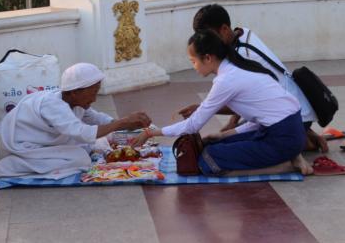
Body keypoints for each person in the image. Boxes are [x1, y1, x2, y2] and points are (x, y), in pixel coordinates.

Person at [133, 30, 312, 176]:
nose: (194, 66)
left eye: (193, 61)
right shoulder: (238, 67)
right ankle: (291, 156)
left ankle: (285, 166)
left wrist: (151, 133)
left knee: (208, 161)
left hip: (283, 138)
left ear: (208, 58)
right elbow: (262, 119)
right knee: (213, 144)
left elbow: (193, 125)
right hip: (288, 131)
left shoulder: (226, 80)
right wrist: (224, 135)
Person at [0, 63, 151, 179]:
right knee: (81, 159)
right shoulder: (53, 105)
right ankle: (6, 167)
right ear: (75, 92)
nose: (94, 99)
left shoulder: (74, 103)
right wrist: (122, 123)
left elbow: (98, 119)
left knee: (85, 148)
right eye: (93, 92)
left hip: (36, 146)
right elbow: (83, 133)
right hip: (21, 148)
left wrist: (130, 124)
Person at [190, 4, 328, 152]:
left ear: (224, 29)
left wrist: (204, 109)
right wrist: (232, 121)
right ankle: (305, 135)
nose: (206, 43)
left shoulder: (242, 55)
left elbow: (248, 98)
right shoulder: (243, 33)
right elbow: (248, 96)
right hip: (295, 109)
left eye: (209, 37)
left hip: (291, 115)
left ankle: (303, 141)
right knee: (230, 133)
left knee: (218, 145)